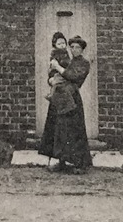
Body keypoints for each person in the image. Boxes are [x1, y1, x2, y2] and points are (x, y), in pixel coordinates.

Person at [38, 34, 94, 173]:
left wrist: (58, 67)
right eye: (72, 47)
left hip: (73, 100)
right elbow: (53, 75)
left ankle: (80, 164)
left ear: (82, 49)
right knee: (58, 130)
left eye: (78, 47)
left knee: (75, 131)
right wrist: (50, 80)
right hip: (59, 98)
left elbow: (73, 77)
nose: (74, 50)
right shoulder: (67, 60)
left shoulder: (84, 63)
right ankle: (61, 161)